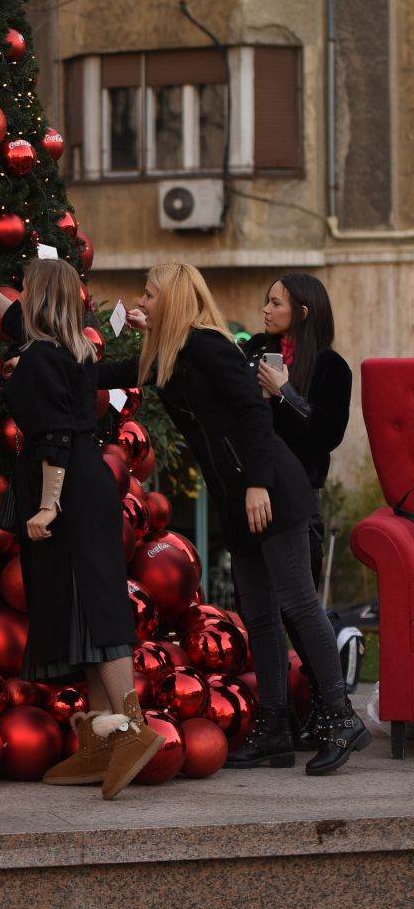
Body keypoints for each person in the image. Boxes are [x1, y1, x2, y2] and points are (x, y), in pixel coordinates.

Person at [104, 261, 368, 775]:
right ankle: (274, 728)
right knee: (261, 614)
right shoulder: (176, 354)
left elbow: (252, 410)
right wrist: (43, 355)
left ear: (175, 298)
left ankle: (340, 716)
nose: (142, 300)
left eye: (151, 294)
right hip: (237, 496)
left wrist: (257, 484)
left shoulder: (207, 344)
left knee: (297, 600)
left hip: (272, 490)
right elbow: (118, 374)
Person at [0, 255, 159, 800]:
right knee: (78, 609)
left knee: (96, 604)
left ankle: (133, 729)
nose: (17, 296)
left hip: (67, 489)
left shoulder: (44, 358)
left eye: (24, 290)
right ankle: (101, 741)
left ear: (39, 298)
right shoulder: (69, 349)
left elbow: (54, 437)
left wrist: (47, 507)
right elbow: (17, 320)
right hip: (85, 486)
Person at [244, 274, 351, 588]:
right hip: (253, 492)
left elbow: (325, 437)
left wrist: (284, 392)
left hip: (299, 499)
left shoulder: (330, 366)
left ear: (303, 313)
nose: (265, 309)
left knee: (299, 605)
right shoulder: (255, 351)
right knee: (257, 604)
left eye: (276, 303)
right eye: (267, 301)